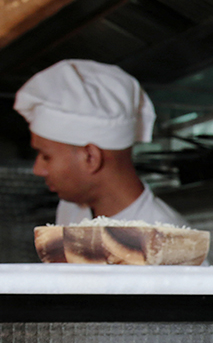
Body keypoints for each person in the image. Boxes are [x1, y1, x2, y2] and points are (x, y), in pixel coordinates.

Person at [18, 59, 190, 227]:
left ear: (90, 157)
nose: (38, 170)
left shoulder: (170, 247)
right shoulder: (71, 211)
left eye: (46, 156)